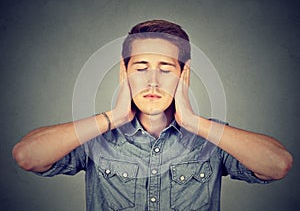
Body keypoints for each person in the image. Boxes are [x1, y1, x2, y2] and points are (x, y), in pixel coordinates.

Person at [12, 20, 293, 210]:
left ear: (185, 75)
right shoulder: (96, 138)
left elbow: (277, 165)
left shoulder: (211, 138)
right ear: (124, 73)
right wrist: (113, 117)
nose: (153, 81)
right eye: (142, 66)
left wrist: (194, 123)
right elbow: (27, 156)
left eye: (166, 68)